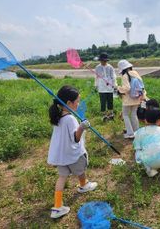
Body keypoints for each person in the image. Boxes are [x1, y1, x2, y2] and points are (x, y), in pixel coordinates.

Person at [47, 85, 97, 219]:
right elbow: (75, 139)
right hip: (72, 154)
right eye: (77, 101)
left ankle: (57, 207)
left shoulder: (57, 116)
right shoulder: (70, 119)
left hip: (61, 156)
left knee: (62, 177)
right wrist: (82, 127)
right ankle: (83, 184)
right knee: (80, 169)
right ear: (69, 103)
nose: (78, 103)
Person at [117, 59, 146, 139]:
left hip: (128, 99)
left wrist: (118, 88)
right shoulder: (135, 73)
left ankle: (130, 133)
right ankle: (136, 132)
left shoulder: (125, 75)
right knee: (134, 114)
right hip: (137, 98)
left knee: (125, 115)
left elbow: (127, 88)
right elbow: (142, 86)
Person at [94, 53, 117, 121]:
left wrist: (115, 85)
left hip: (109, 86)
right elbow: (96, 77)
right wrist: (96, 85)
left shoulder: (110, 67)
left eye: (105, 61)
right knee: (103, 102)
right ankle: (104, 115)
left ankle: (111, 114)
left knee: (110, 101)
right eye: (102, 60)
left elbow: (114, 77)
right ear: (100, 60)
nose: (103, 62)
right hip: (101, 87)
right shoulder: (97, 67)